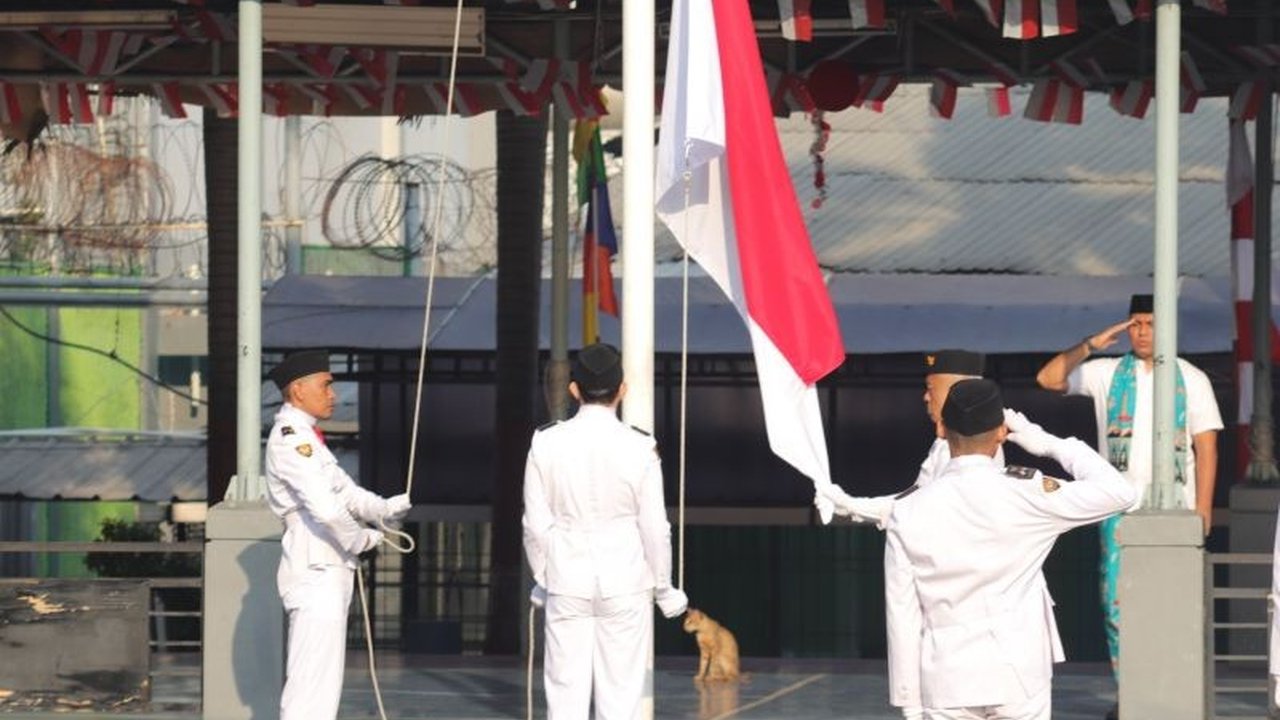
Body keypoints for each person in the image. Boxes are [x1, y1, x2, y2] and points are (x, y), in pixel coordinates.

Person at [885, 379, 1138, 720]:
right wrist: (1049, 443)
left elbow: (902, 612)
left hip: (945, 678)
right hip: (1018, 672)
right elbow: (1121, 493)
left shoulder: (908, 510)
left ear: (942, 429)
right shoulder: (1027, 493)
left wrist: (910, 703)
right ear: (1001, 432)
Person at [1035, 293, 1222, 694]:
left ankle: (1171, 693)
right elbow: (1048, 379)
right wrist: (1090, 344)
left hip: (1177, 508)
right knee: (1117, 604)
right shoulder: (1106, 373)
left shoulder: (1191, 377)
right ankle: (1131, 694)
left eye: (1151, 324)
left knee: (1172, 606)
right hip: (1119, 508)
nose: (1141, 332)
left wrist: (1203, 508)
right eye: (1135, 323)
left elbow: (1206, 446)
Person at [522, 343, 689, 720]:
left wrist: (543, 577)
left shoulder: (545, 442)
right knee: (623, 698)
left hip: (566, 579)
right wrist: (663, 587)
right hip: (625, 582)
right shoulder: (640, 446)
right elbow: (654, 528)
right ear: (623, 390)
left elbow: (534, 524)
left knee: (564, 698)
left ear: (574, 390)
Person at [264, 349, 411, 720]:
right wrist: (360, 540)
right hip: (316, 566)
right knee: (310, 684)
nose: (333, 394)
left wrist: (384, 509)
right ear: (298, 390)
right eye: (325, 385)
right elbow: (327, 510)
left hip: (327, 566)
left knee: (322, 684)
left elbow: (344, 491)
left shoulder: (307, 438)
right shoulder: (290, 439)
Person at [824, 349, 1003, 527]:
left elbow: (919, 508)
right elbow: (912, 498)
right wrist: (850, 505)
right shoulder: (944, 443)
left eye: (931, 388)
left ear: (957, 390)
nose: (925, 397)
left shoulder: (970, 445)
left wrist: (850, 505)